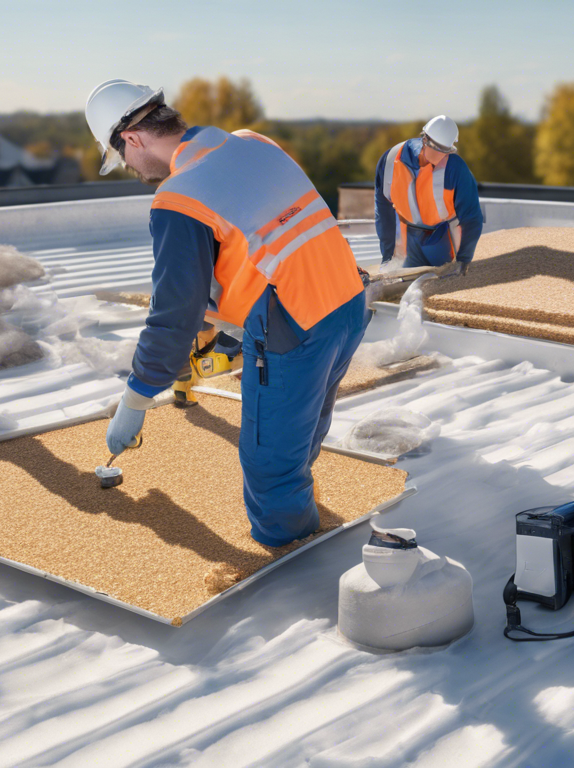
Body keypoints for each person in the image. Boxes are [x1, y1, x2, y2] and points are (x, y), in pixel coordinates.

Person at [85, 79, 368, 548]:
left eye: (123, 159)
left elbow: (173, 315)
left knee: (269, 465)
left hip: (296, 324)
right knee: (301, 429)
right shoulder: (252, 141)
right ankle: (301, 503)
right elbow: (270, 231)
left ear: (132, 139)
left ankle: (295, 567)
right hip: (348, 300)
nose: (133, 170)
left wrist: (136, 398)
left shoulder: (178, 197)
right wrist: (234, 313)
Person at [374, 115, 484, 272]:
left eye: (446, 150)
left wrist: (463, 259)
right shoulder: (390, 161)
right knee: (401, 285)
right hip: (407, 239)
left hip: (442, 237)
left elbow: (472, 217)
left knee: (441, 282)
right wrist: (387, 257)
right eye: (438, 149)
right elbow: (383, 212)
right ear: (424, 139)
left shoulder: (455, 169)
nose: (441, 156)